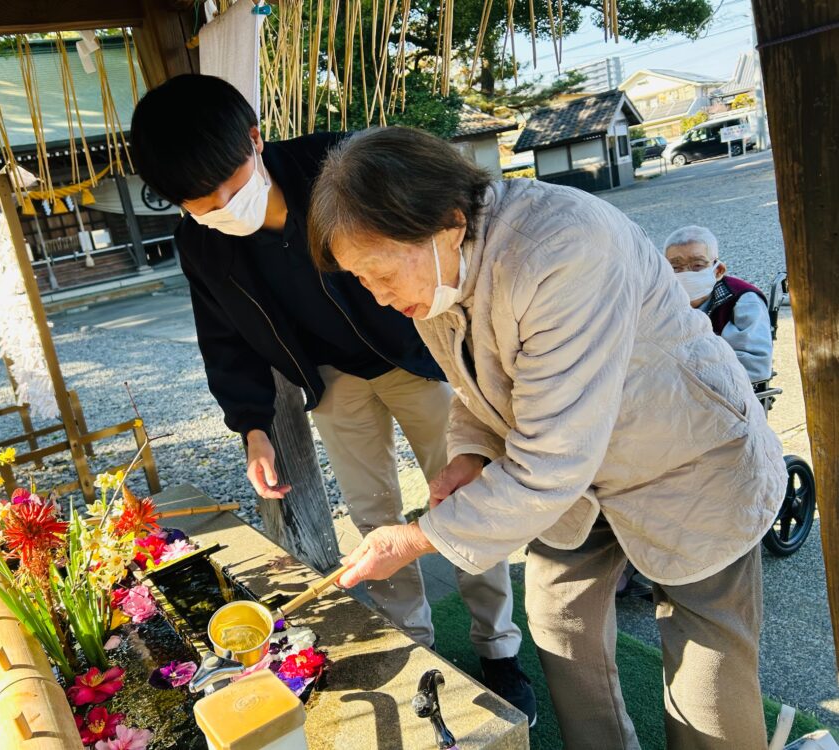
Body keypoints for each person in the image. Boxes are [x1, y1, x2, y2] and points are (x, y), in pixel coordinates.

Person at [308, 126, 787, 750]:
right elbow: (481, 387)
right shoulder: (435, 278)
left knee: (705, 657)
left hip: (686, 457)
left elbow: (549, 460)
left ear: (449, 222)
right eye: (359, 278)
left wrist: (419, 538)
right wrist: (470, 454)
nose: (376, 294)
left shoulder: (562, 247)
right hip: (575, 481)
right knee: (559, 616)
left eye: (377, 271)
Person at [130, 75, 535, 720]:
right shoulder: (199, 239)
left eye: (226, 189)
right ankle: (415, 640)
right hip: (332, 379)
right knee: (374, 516)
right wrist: (252, 427)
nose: (216, 208)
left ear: (255, 142)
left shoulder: (340, 169)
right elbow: (223, 334)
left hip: (420, 354)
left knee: (461, 497)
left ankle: (498, 647)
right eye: (196, 202)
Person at [664, 225, 773, 383]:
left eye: (697, 265)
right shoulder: (660, 302)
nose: (685, 273)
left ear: (718, 270)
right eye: (675, 267)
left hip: (725, 395)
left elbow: (755, 366)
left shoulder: (741, 300)